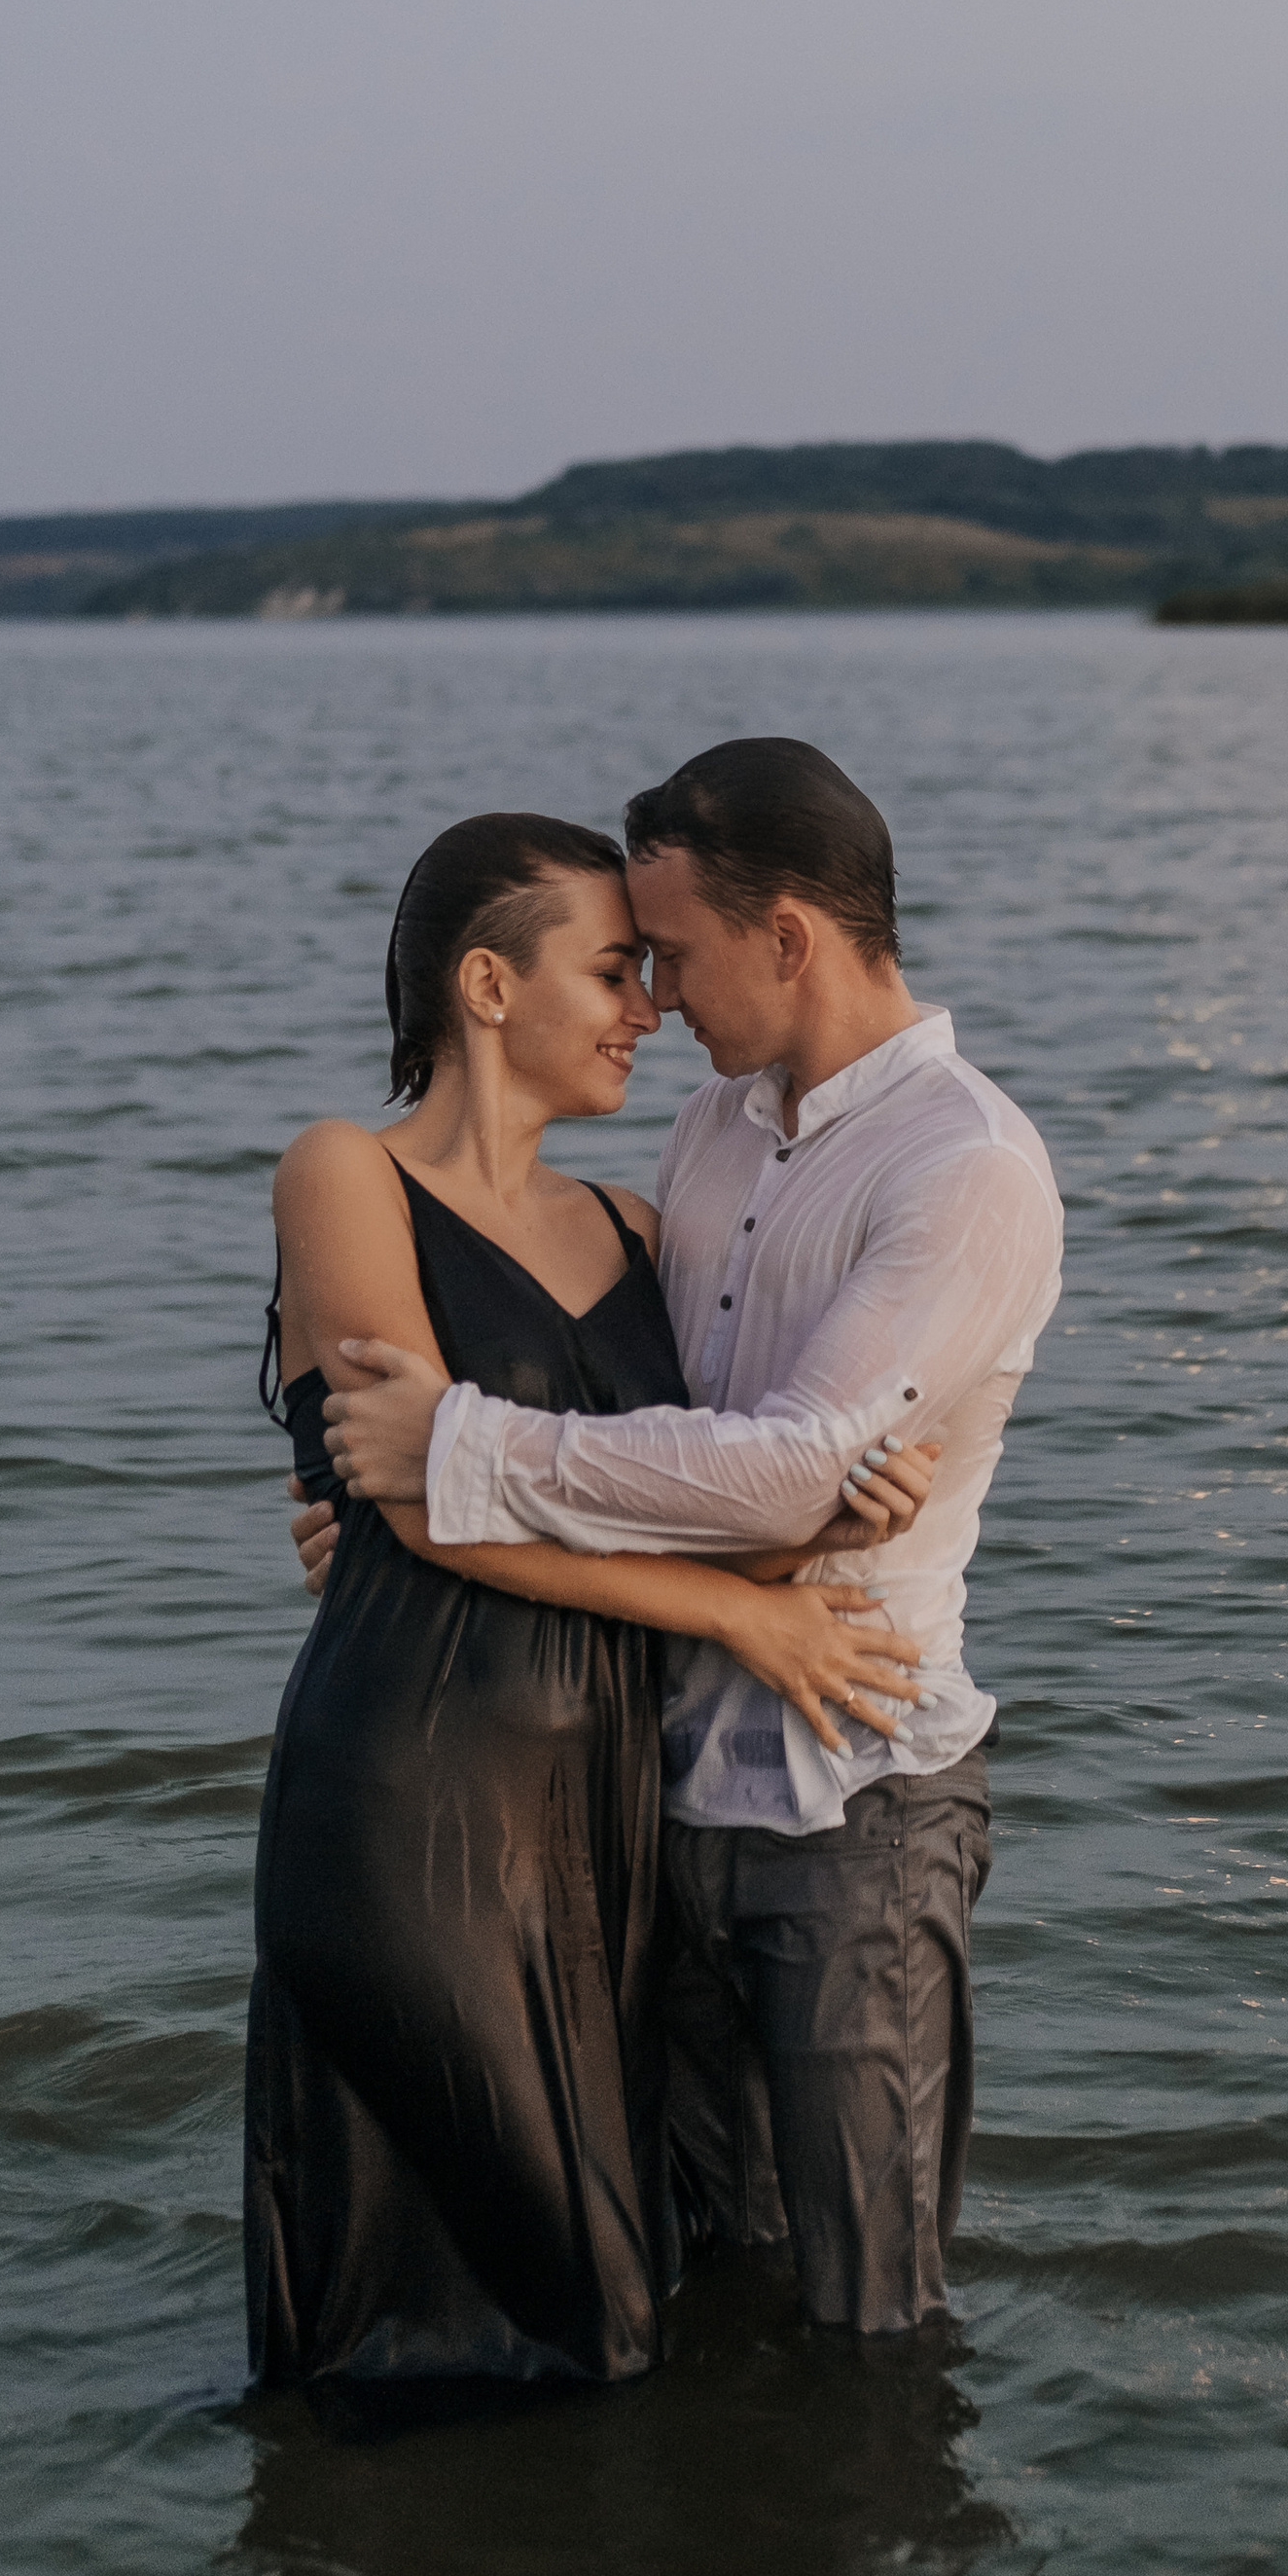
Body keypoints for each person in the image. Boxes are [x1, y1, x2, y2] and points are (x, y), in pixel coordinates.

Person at [315, 739, 1064, 2340]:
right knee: (706, 2282)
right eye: (628, 959)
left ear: (786, 936)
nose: (656, 994)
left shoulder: (968, 1168)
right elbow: (686, 1435)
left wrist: (459, 1457)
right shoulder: (715, 1137)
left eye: (673, 951)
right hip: (655, 1790)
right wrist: (392, 1534)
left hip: (851, 1778)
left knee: (871, 2314)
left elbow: (786, 1467)